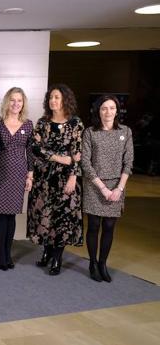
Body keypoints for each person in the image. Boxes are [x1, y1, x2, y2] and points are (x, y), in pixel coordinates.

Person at [27, 83, 84, 275]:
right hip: (44, 178)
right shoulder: (42, 123)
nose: (53, 100)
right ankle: (46, 252)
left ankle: (57, 258)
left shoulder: (75, 123)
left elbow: (77, 154)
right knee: (46, 216)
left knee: (62, 219)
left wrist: (73, 177)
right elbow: (34, 147)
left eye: (57, 97)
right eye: (51, 97)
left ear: (65, 100)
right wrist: (58, 157)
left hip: (66, 179)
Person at [81, 95, 133, 282]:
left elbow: (128, 163)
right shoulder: (90, 132)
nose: (108, 112)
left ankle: (103, 263)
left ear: (117, 111)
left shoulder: (125, 132)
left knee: (109, 226)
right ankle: (93, 263)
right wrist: (102, 188)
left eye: (112, 108)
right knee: (94, 225)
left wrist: (119, 188)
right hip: (95, 185)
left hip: (116, 186)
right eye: (104, 108)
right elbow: (85, 163)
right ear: (98, 111)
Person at [0, 87, 34, 271]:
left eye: (19, 100)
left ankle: (8, 253)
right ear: (7, 102)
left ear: (23, 103)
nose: (16, 104)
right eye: (12, 100)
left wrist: (30, 175)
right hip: (0, 171)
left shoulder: (28, 124)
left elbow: (31, 152)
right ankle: (2, 255)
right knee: (2, 214)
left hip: (19, 172)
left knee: (12, 215)